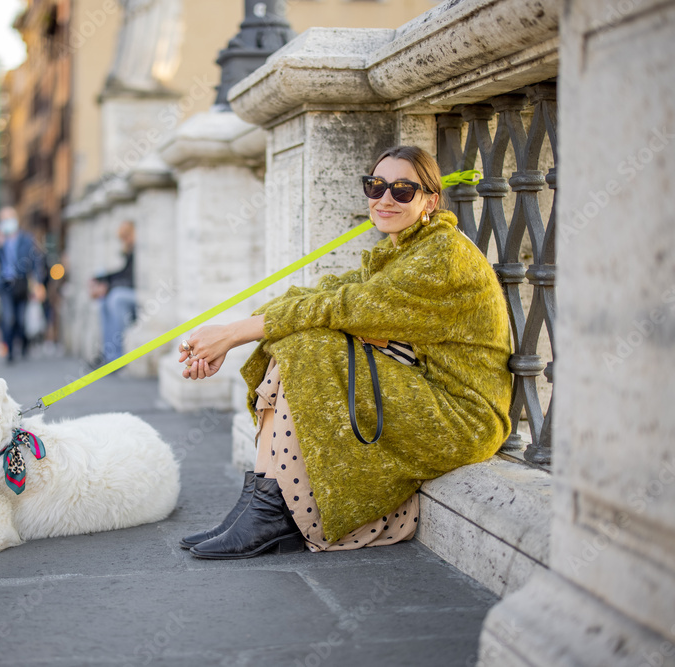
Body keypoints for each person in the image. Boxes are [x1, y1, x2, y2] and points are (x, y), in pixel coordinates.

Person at [176, 145, 513, 560]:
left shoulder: (442, 255)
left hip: (462, 417)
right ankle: (260, 503)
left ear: (430, 199)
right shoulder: (404, 247)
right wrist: (227, 334)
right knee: (293, 334)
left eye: (403, 190)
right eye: (376, 186)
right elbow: (323, 293)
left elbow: (345, 306)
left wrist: (233, 334)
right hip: (426, 393)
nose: (385, 198)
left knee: (304, 341)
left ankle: (270, 511)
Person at [0, 207, 42, 363]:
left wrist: (37, 282)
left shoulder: (26, 239)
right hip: (5, 283)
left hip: (22, 283)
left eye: (9, 218)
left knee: (21, 319)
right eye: (3, 219)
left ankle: (23, 343)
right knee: (8, 318)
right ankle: (9, 350)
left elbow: (35, 261)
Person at [89, 220, 136, 365]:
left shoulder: (141, 249)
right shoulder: (130, 250)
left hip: (142, 294)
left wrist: (107, 286)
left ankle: (117, 357)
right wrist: (99, 280)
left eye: (127, 236)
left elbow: (132, 278)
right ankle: (108, 354)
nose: (125, 240)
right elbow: (122, 272)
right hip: (129, 292)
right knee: (103, 302)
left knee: (115, 298)